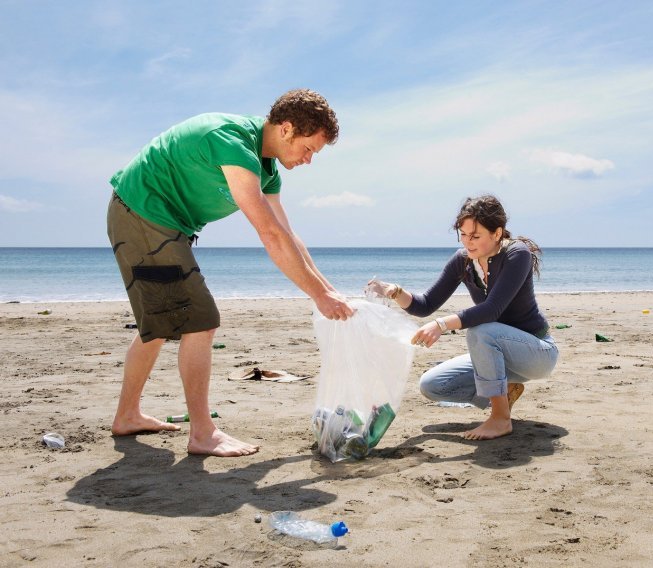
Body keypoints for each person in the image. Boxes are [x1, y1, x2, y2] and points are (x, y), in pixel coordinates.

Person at [107, 89, 354, 457]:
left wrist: (328, 290)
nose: (308, 160)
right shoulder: (231, 140)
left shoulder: (267, 171)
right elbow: (268, 234)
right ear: (286, 129)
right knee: (200, 322)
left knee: (159, 324)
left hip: (165, 224)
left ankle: (127, 415)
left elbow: (288, 235)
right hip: (143, 214)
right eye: (309, 149)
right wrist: (318, 296)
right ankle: (202, 434)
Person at [367, 195, 558, 440]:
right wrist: (394, 291)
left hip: (537, 353)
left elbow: (492, 310)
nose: (468, 243)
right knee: (432, 385)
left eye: (476, 236)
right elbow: (425, 305)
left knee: (481, 330)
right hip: (498, 354)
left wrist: (441, 325)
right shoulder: (463, 261)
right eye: (464, 235)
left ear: (497, 233)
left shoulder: (517, 254)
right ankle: (505, 390)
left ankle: (500, 419)